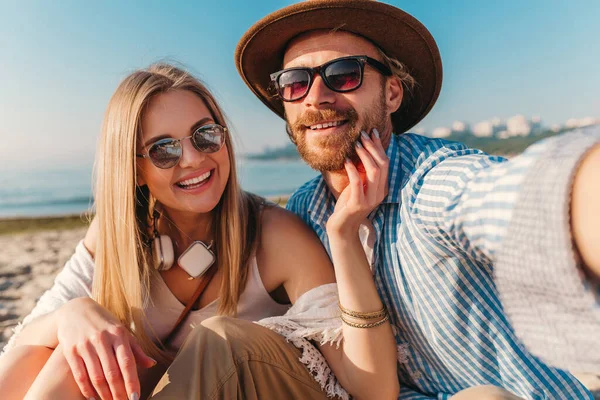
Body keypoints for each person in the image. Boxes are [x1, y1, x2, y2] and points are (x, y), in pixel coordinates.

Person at [234, 0, 600, 398]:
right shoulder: (305, 210)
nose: (315, 97)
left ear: (391, 94)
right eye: (295, 81)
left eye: (344, 74)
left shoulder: (431, 182)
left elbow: (523, 198)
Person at [0, 63, 401, 400]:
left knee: (212, 338)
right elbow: (20, 353)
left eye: (205, 135)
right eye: (164, 149)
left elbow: (374, 388)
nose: (193, 159)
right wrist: (73, 314)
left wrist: (345, 235)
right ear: (134, 168)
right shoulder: (118, 233)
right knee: (66, 354)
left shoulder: (273, 235)